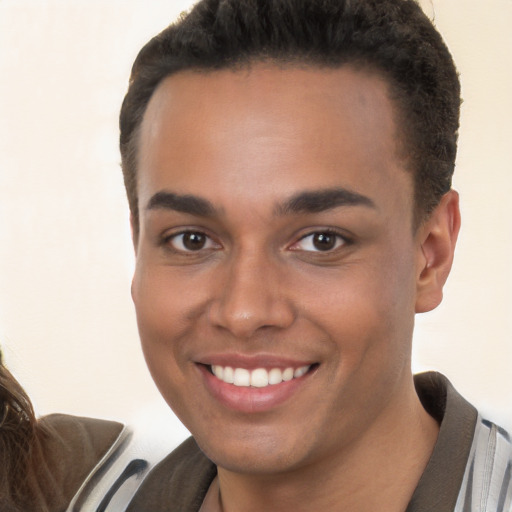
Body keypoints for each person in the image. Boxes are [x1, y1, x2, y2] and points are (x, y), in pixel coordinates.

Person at [1, 0, 511, 510]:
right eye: (191, 240)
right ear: (138, 247)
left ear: (431, 254)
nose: (244, 312)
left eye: (321, 241)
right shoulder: (53, 487)